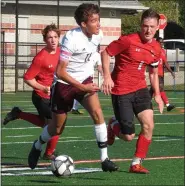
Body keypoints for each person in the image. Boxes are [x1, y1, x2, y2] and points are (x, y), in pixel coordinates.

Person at [28, 3, 118, 172]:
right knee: (57, 128)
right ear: (83, 24)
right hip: (64, 85)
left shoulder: (98, 34)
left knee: (98, 114)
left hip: (85, 80)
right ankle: (38, 144)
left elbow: (95, 53)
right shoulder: (71, 38)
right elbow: (60, 72)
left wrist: (102, 70)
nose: (98, 24)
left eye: (99, 19)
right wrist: (82, 87)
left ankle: (104, 159)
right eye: (94, 21)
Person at [101, 8, 164, 174]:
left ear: (157, 27)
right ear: (140, 25)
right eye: (145, 26)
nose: (148, 30)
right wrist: (107, 76)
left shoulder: (156, 48)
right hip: (121, 90)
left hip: (140, 89)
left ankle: (136, 163)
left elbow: (153, 72)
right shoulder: (128, 41)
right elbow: (106, 53)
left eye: (151, 26)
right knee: (128, 136)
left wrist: (157, 94)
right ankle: (113, 124)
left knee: (149, 125)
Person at [3, 24, 61, 160]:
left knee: (45, 123)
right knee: (55, 125)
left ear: (59, 38)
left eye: (55, 37)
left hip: (54, 96)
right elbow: (28, 78)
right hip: (41, 97)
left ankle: (18, 114)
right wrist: (43, 88)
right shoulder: (41, 57)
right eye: (49, 38)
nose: (53, 40)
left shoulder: (61, 52)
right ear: (45, 40)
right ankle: (48, 154)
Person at [150, 37, 175, 111]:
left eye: (162, 42)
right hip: (155, 74)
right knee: (160, 88)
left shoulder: (163, 51)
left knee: (153, 89)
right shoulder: (152, 50)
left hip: (161, 74)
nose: (162, 44)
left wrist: (171, 71)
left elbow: (165, 63)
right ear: (156, 42)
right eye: (160, 42)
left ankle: (146, 104)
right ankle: (168, 105)